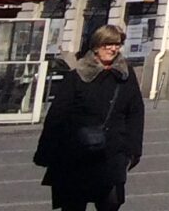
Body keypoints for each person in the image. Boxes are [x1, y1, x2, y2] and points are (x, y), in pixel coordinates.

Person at [34, 24, 145, 211]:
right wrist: (46, 151)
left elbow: (135, 113)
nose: (113, 49)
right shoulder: (77, 74)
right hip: (76, 154)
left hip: (112, 153)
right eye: (107, 44)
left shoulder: (125, 75)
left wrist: (133, 149)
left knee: (111, 203)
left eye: (117, 44)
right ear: (96, 46)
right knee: (73, 204)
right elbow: (57, 115)